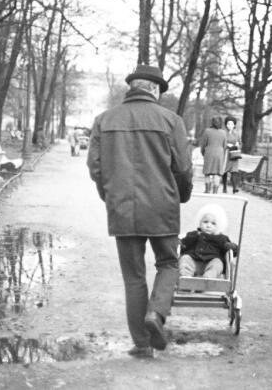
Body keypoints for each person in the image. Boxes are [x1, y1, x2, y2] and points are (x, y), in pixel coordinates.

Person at [86, 65, 193, 357]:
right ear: (155, 90)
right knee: (169, 263)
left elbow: (95, 167)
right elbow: (183, 168)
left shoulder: (103, 120)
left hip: (123, 209)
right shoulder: (172, 120)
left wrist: (110, 197)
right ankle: (156, 314)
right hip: (163, 207)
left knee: (133, 276)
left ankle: (142, 343)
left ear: (131, 87)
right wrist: (180, 197)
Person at [178, 203, 238, 278]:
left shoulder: (221, 238)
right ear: (200, 223)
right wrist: (179, 242)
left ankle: (208, 279)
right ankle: (185, 276)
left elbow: (234, 252)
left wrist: (231, 247)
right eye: (205, 222)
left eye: (213, 223)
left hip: (211, 262)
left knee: (218, 263)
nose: (208, 225)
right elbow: (183, 244)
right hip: (193, 261)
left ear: (219, 226)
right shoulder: (193, 235)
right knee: (185, 258)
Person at [199, 116, 227, 194]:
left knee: (207, 173)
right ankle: (215, 191)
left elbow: (203, 144)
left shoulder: (207, 131)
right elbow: (225, 145)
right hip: (219, 154)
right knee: (217, 173)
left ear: (212, 122)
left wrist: (203, 152)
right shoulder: (223, 132)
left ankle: (207, 190)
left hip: (209, 153)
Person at [222, 116, 242, 194]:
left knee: (234, 171)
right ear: (226, 125)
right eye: (228, 124)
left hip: (234, 155)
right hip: (226, 154)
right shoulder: (223, 133)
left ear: (234, 125)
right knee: (225, 171)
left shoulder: (237, 134)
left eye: (231, 124)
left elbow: (240, 143)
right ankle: (224, 187)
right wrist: (227, 145)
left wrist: (238, 145)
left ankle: (234, 188)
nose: (230, 125)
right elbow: (222, 143)